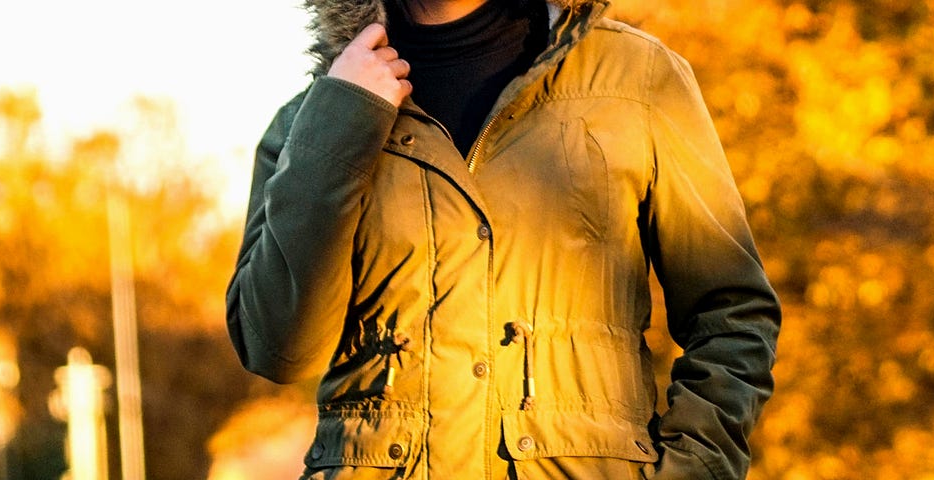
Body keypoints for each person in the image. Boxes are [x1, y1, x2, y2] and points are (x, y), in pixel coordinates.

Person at [225, 0, 780, 478]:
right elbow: (278, 348)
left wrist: (694, 467)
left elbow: (731, 314)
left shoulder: (636, 78)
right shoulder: (314, 120)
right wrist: (341, 121)